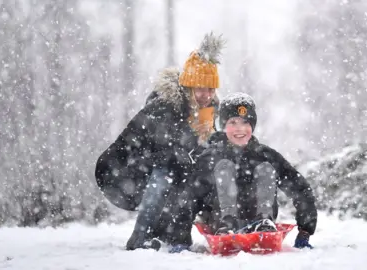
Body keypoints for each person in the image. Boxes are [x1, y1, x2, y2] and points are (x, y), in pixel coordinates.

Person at [94, 32, 225, 251]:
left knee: (202, 172)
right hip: (125, 169)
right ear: (189, 87)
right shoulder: (165, 107)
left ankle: (198, 233)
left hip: (165, 165)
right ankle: (140, 237)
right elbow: (165, 153)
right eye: (200, 88)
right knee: (166, 174)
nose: (206, 94)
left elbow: (200, 153)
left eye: (211, 89)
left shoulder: (208, 111)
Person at [172, 93, 318, 253]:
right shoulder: (211, 157)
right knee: (224, 167)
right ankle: (228, 220)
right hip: (219, 224)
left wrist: (305, 231)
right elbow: (188, 196)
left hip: (259, 223)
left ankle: (264, 220)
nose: (239, 128)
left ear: (252, 126)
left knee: (266, 168)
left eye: (245, 122)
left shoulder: (265, 155)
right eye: (233, 122)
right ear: (224, 126)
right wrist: (181, 239)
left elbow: (299, 188)